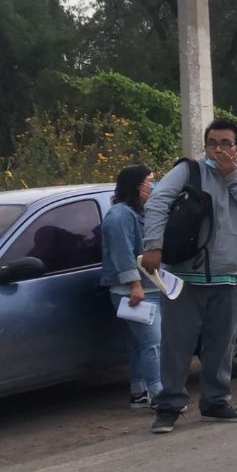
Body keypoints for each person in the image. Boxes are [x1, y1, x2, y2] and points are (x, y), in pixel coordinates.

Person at [142, 118, 237, 434]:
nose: (218, 149)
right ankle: (169, 406)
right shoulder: (189, 171)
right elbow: (157, 202)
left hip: (230, 279)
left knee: (221, 344)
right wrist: (153, 246)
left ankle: (215, 401)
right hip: (186, 278)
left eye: (225, 143)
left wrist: (232, 178)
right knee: (176, 345)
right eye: (212, 142)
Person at [101, 164, 162, 409]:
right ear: (137, 185)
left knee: (139, 343)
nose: (153, 186)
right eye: (150, 181)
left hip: (150, 287)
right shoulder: (120, 215)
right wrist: (134, 285)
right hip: (135, 291)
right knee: (153, 343)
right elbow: (122, 253)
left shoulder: (139, 212)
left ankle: (139, 391)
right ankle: (160, 394)